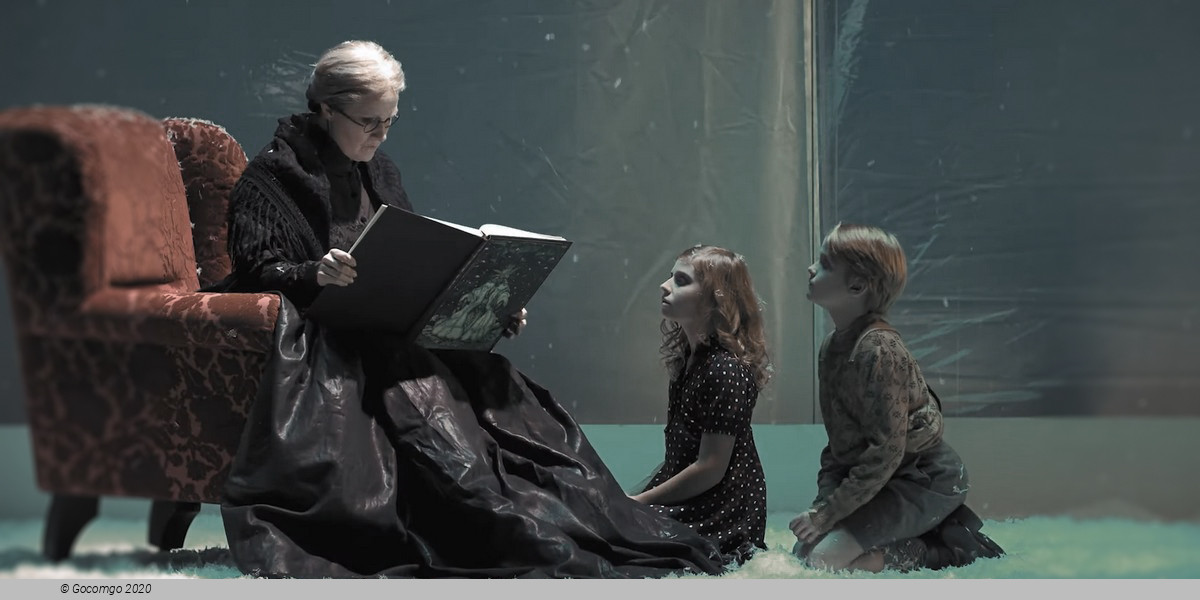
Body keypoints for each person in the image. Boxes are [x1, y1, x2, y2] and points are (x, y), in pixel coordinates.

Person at [210, 40, 726, 578]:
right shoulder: (271, 178)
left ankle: (552, 516)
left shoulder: (379, 170)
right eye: (369, 122)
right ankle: (496, 523)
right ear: (324, 108)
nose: (381, 134)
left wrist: (486, 304)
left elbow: (406, 258)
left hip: (394, 329)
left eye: (390, 121)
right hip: (335, 337)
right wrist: (313, 272)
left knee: (502, 391)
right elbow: (255, 270)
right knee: (429, 411)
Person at [789, 223, 1003, 572]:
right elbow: (840, 445)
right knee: (805, 551)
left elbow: (886, 451)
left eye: (825, 264)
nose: (811, 268)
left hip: (923, 480)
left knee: (824, 561)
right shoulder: (831, 349)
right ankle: (919, 531)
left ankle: (944, 549)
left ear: (857, 286)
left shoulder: (879, 349)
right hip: (881, 480)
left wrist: (829, 512)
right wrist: (822, 509)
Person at [631, 245, 770, 564]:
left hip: (721, 512)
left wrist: (639, 501)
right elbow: (681, 460)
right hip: (697, 496)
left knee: (619, 547)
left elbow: (710, 468)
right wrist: (632, 498)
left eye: (680, 280)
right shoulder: (689, 358)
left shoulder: (725, 369)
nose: (664, 286)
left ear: (714, 301)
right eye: (670, 276)